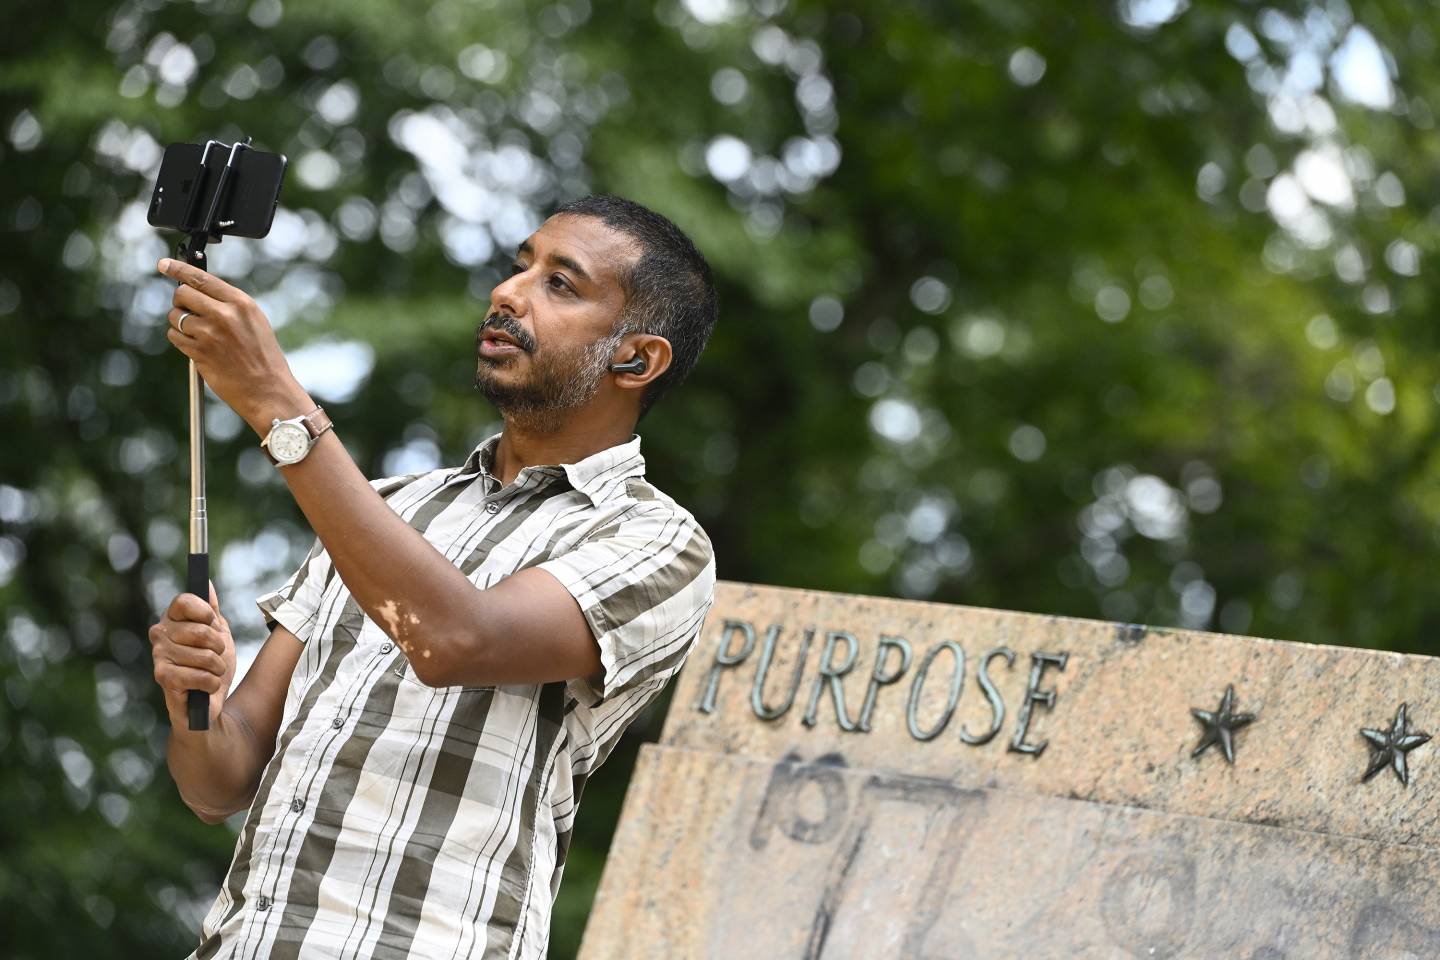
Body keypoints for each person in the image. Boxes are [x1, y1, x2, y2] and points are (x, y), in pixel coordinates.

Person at [146, 194, 719, 959]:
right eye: (520, 267)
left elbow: (454, 638)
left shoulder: (659, 541)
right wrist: (196, 700)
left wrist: (278, 404)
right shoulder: (386, 508)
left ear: (636, 358)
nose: (509, 293)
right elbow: (217, 782)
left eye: (561, 284)